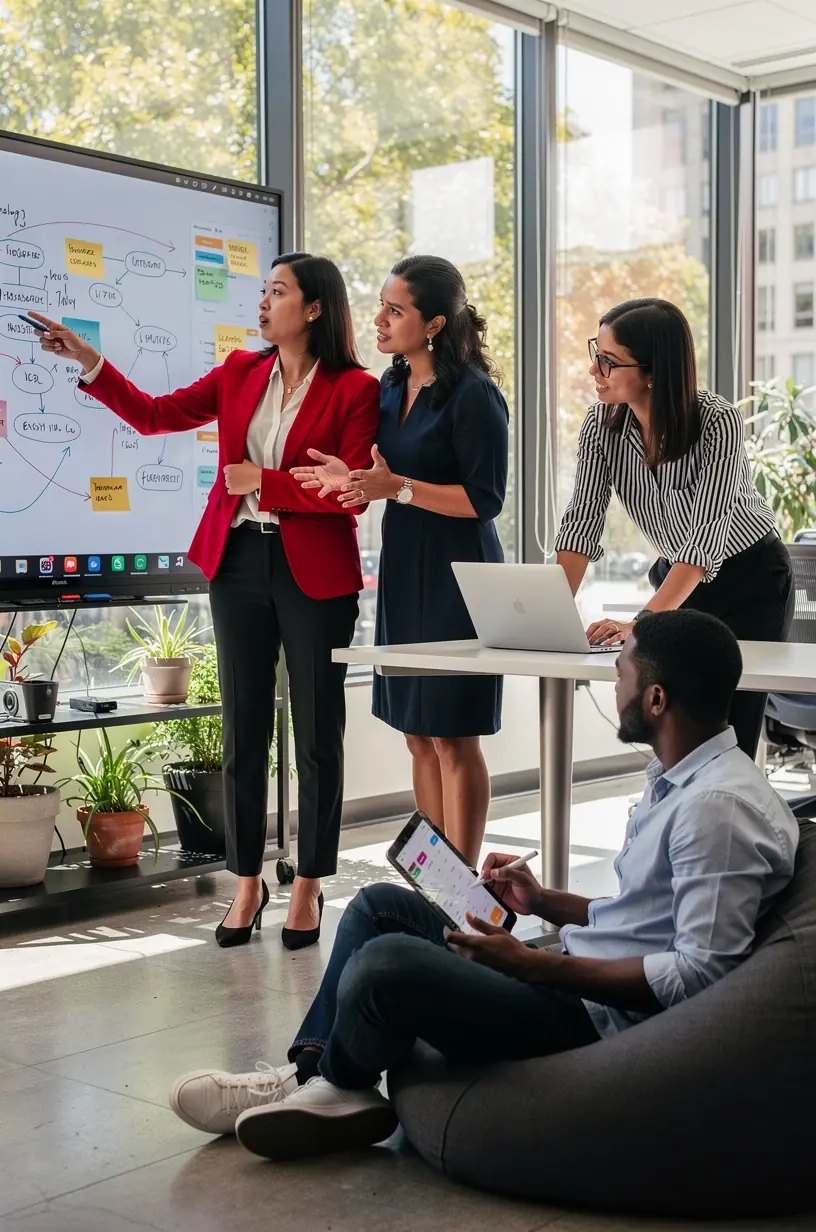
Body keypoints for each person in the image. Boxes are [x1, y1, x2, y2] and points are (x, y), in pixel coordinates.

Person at [168, 610, 798, 1160]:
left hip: (585, 1019)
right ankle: (317, 1078)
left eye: (623, 675)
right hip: (573, 973)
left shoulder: (718, 810)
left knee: (386, 965)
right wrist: (544, 900)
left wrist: (531, 966)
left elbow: (695, 977)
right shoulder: (681, 776)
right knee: (378, 907)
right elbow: (647, 915)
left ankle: (331, 1084)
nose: (614, 684)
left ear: (657, 700)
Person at [31, 253, 380, 951]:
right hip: (238, 560)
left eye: (276, 292)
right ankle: (246, 882)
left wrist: (265, 480)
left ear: (313, 309)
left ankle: (309, 883)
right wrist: (92, 360)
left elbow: (347, 487)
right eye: (261, 291)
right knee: (244, 727)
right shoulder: (240, 374)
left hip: (316, 570)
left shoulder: (356, 388)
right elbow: (156, 415)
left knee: (316, 736)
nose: (262, 303)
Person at [290, 255, 509, 865]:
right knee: (416, 733)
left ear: (434, 322)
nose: (380, 320)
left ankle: (465, 893)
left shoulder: (476, 395)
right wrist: (352, 477)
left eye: (396, 310)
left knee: (453, 737)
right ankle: (437, 881)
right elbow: (380, 472)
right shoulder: (389, 385)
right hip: (404, 569)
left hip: (458, 576)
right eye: (381, 305)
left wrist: (400, 489)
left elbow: (484, 500)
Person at [554, 297, 793, 758]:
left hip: (749, 582)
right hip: (677, 581)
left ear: (653, 370)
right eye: (595, 354)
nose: (594, 371)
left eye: (609, 361)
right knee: (672, 727)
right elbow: (582, 520)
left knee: (731, 736)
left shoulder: (716, 420)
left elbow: (704, 538)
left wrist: (641, 625)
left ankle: (733, 827)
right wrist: (548, 616)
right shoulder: (600, 426)